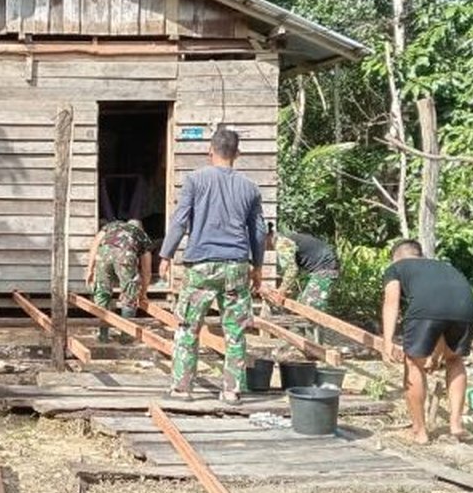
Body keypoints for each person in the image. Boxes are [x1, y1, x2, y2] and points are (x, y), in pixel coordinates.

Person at [158, 128, 266, 405]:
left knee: (187, 327)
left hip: (201, 265)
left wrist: (166, 255)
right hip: (236, 266)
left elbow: (181, 221)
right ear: (238, 154)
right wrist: (258, 266)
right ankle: (231, 390)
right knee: (236, 331)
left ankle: (182, 388)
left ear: (210, 151)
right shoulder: (250, 188)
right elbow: (258, 231)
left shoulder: (195, 180)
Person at [381, 239, 473, 444]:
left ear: (396, 257)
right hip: (467, 309)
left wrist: (387, 341)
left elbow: (391, 302)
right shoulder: (444, 266)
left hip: (426, 311)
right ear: (420, 255)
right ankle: (456, 425)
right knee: (454, 360)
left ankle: (419, 432)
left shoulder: (396, 267)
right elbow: (445, 306)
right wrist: (436, 353)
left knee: (413, 363)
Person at [85, 219, 152, 343]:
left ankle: (103, 335)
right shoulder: (141, 235)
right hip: (125, 256)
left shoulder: (112, 226)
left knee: (102, 294)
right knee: (129, 294)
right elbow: (146, 270)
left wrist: (90, 269)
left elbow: (95, 244)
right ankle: (126, 337)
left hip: (103, 254)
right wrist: (142, 293)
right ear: (141, 228)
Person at [265, 224, 340, 311]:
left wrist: (282, 291)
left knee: (310, 307)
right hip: (321, 268)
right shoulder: (285, 240)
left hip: (325, 269)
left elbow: (292, 270)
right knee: (302, 304)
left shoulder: (282, 243)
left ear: (267, 236)